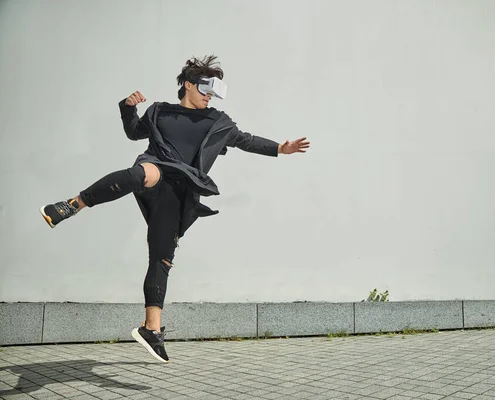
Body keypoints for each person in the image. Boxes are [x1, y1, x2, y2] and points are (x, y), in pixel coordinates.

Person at [39, 55, 310, 363]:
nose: (208, 97)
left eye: (212, 93)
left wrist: (279, 148)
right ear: (188, 85)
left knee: (162, 257)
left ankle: (151, 329)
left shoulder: (217, 121)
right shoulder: (160, 111)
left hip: (180, 192)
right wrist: (128, 108)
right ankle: (72, 205)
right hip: (155, 168)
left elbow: (246, 140)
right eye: (205, 90)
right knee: (144, 173)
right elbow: (133, 132)